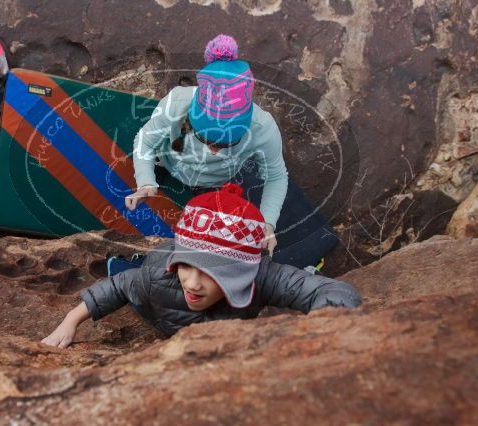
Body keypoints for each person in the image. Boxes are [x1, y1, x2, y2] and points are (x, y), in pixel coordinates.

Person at [42, 183, 361, 348]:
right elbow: (120, 288)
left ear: (240, 272)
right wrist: (71, 321)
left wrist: (320, 335)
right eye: (188, 266)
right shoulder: (158, 276)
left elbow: (335, 291)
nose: (193, 283)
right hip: (155, 296)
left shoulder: (259, 275)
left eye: (211, 273)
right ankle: (129, 261)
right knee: (129, 276)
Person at [124, 34, 338, 269]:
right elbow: (144, 141)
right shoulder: (176, 103)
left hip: (226, 179)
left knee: (250, 248)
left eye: (225, 144)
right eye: (205, 139)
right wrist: (146, 182)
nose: (214, 151)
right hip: (171, 162)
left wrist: (267, 223)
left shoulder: (262, 127)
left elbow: (276, 176)